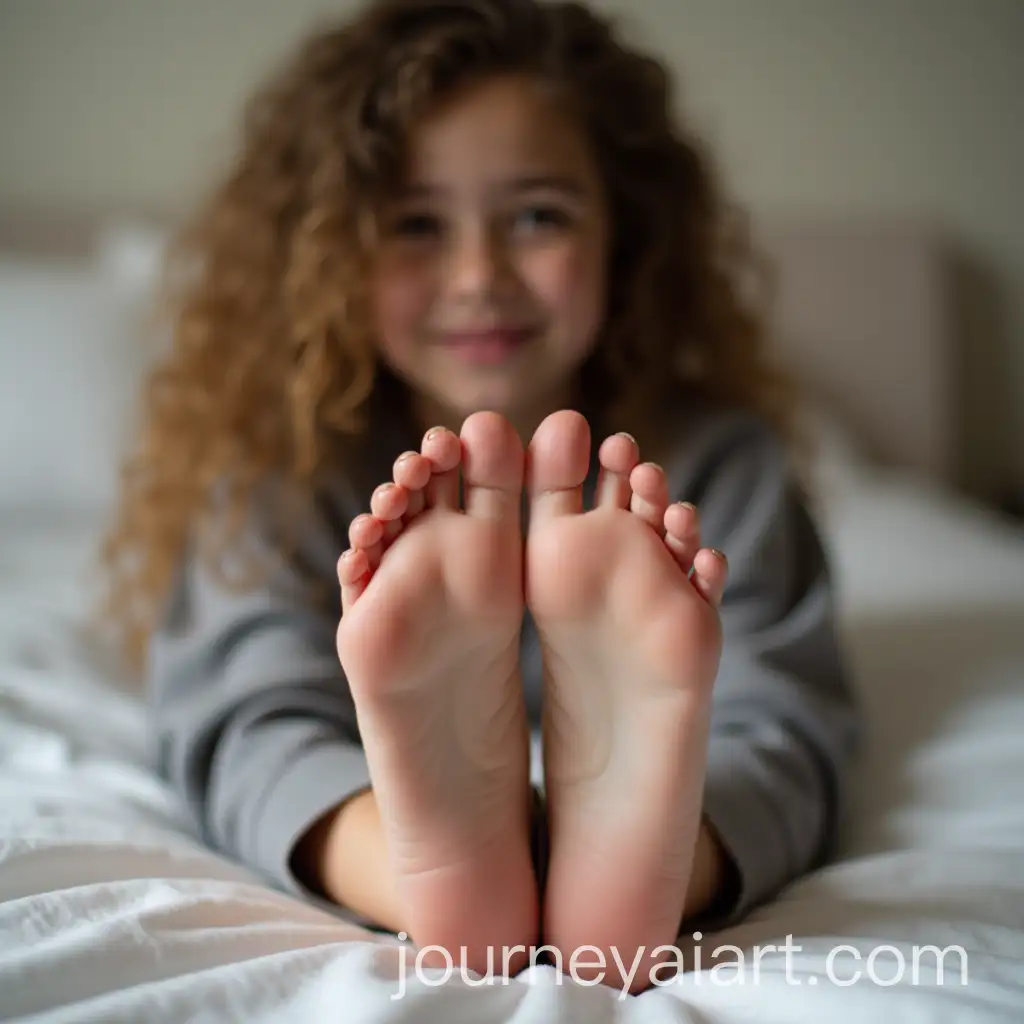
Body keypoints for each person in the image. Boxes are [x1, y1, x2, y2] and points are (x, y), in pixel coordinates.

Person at [99, 0, 858, 995]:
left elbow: (791, 721)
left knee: (769, 734)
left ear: (627, 234)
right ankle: (433, 871)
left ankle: (640, 863)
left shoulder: (718, 461)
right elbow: (236, 711)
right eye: (415, 223)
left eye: (537, 216)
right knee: (255, 716)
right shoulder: (283, 468)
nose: (477, 275)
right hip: (411, 823)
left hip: (661, 804)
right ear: (328, 256)